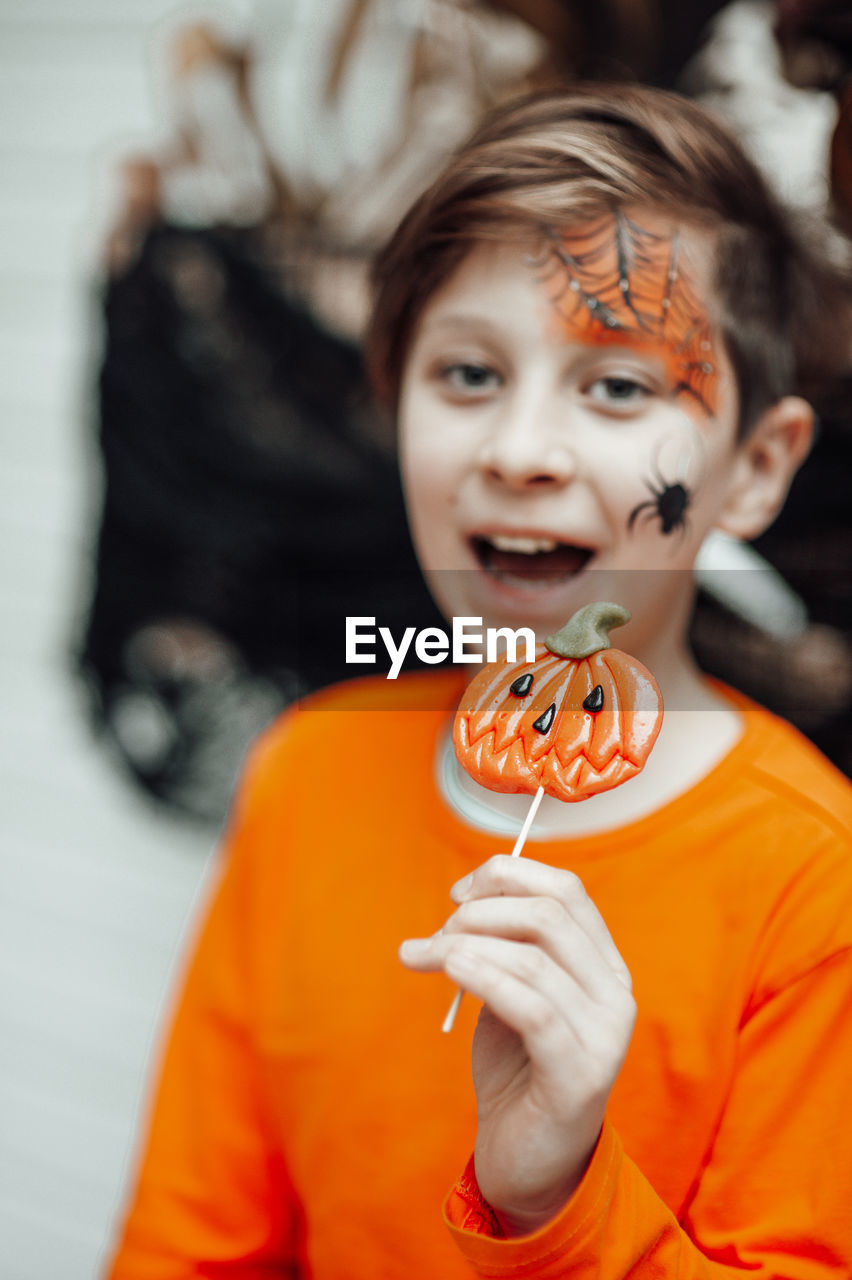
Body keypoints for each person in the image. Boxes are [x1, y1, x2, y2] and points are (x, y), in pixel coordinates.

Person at [104, 85, 852, 1277]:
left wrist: (556, 1193)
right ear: (391, 407)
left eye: (617, 384)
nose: (516, 450)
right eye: (466, 374)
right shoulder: (306, 774)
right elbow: (191, 1240)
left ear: (754, 469)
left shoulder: (816, 884)